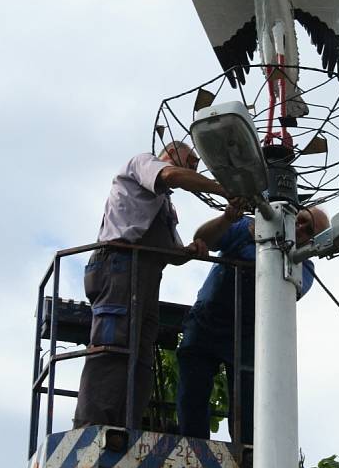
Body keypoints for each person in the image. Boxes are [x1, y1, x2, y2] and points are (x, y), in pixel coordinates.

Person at [73, 142, 231, 430]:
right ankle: (92, 428)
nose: (195, 166)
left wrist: (192, 250)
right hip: (120, 265)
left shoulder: (165, 205)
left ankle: (126, 427)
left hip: (146, 274)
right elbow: (172, 176)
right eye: (191, 159)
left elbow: (172, 255)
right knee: (113, 347)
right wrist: (221, 188)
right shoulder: (142, 162)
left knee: (141, 355)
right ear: (169, 154)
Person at [176, 203, 330, 444]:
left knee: (248, 403)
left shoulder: (304, 265)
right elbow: (204, 238)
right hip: (206, 320)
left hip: (248, 335)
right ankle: (192, 447)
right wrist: (227, 218)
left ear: (313, 242)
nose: (299, 228)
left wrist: (263, 249)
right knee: (192, 393)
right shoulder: (250, 227)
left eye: (308, 230)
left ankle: (247, 455)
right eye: (299, 220)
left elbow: (288, 289)